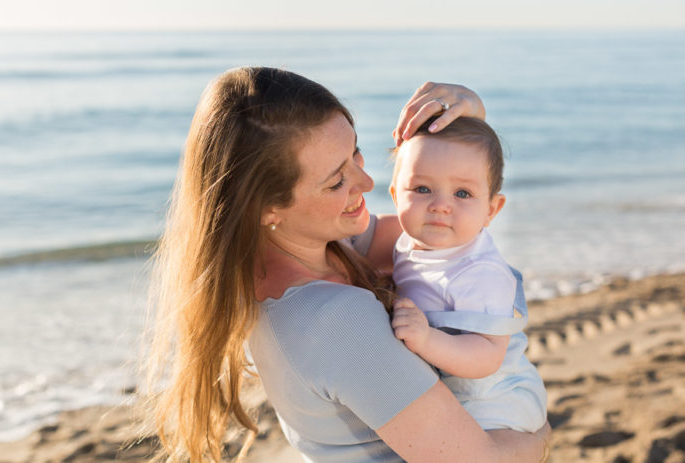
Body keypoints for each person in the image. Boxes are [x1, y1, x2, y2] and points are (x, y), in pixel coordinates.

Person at [146, 66, 550, 462]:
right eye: (336, 181)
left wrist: (469, 124)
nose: (366, 182)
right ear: (267, 207)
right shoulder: (337, 320)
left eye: (355, 152)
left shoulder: (320, 248)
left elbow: (449, 239)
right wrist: (541, 439)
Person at [388, 116, 547, 433]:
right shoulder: (409, 242)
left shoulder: (480, 274)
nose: (440, 205)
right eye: (422, 188)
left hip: (494, 400)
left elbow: (488, 356)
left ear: (491, 210)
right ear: (395, 195)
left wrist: (426, 339)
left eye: (462, 193)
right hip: (453, 390)